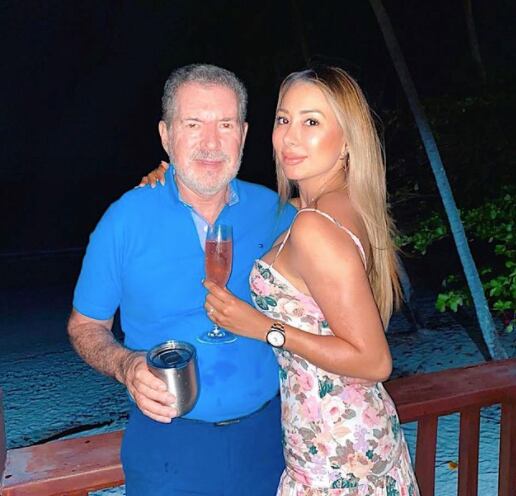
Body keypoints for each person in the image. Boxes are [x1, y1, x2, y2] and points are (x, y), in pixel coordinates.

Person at [144, 66, 420, 495]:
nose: (290, 137)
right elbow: (233, 208)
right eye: (283, 119)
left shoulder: (315, 226)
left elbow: (374, 361)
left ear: (347, 139)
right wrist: (178, 180)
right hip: (351, 438)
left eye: (311, 122)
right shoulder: (335, 205)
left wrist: (264, 329)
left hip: (335, 455)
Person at [68, 64, 296, 496]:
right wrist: (125, 365)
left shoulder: (277, 212)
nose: (211, 142)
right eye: (193, 124)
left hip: (272, 441)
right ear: (166, 134)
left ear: (244, 135)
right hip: (167, 450)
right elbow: (85, 326)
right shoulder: (124, 221)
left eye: (225, 124)